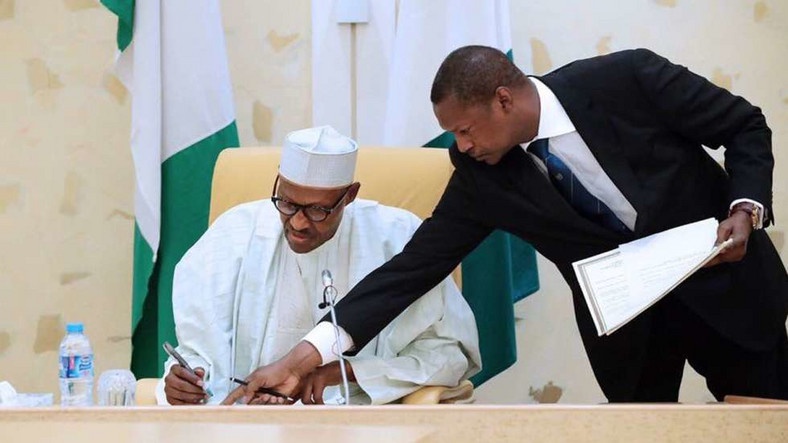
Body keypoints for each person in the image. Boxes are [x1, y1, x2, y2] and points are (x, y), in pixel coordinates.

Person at [225, 46, 788, 404]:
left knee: (763, 423)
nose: (461, 146)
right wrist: (303, 356)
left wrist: (745, 209)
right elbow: (410, 270)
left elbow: (743, 126)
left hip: (730, 290)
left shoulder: (627, 79)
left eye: (466, 130)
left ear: (502, 99)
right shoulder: (481, 177)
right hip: (632, 335)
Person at [159, 125, 481, 405]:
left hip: (357, 424)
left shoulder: (397, 238)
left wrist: (346, 374)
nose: (298, 223)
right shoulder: (234, 234)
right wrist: (186, 383)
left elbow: (448, 355)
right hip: (247, 423)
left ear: (350, 195)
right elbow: (200, 352)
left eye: (317, 210)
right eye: (286, 203)